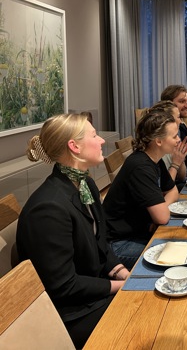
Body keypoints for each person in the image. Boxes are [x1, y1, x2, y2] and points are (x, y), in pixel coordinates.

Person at [16, 113, 129, 348]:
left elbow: (101, 241)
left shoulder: (85, 184)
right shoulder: (48, 208)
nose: (102, 141)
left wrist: (120, 271)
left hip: (91, 291)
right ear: (74, 146)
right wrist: (122, 287)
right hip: (71, 314)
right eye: (95, 135)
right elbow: (64, 287)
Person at [103, 110, 179, 270]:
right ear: (158, 141)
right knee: (177, 259)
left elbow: (173, 191)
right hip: (118, 244)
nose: (178, 140)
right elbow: (163, 217)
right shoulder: (140, 166)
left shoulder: (154, 160)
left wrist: (160, 208)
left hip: (139, 234)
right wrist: (160, 212)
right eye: (174, 136)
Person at [146, 100, 187, 190]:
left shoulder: (167, 144)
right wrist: (175, 164)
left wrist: (181, 158)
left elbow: (181, 177)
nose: (181, 121)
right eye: (178, 117)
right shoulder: (156, 152)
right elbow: (165, 190)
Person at [161, 85, 187, 173]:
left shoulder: (177, 127)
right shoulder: (161, 133)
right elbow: (165, 183)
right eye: (182, 101)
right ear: (168, 104)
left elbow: (181, 175)